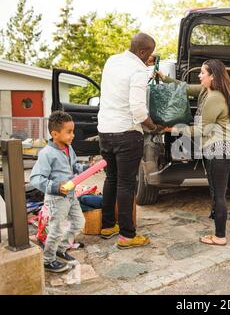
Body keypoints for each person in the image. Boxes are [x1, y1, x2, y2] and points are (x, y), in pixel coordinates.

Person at [157, 59, 230, 246]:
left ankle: (219, 236)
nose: (199, 75)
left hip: (220, 150)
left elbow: (202, 130)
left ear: (213, 76)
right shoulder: (205, 91)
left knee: (218, 194)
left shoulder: (214, 98)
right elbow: (184, 88)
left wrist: (172, 129)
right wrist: (164, 79)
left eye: (203, 73)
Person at [98, 33, 162, 249]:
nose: (149, 58)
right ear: (143, 52)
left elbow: (122, 80)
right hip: (127, 133)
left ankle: (108, 226)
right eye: (148, 53)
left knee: (111, 179)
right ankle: (127, 235)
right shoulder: (138, 71)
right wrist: (154, 127)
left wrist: (145, 64)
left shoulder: (112, 61)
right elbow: (138, 110)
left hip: (105, 131)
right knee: (126, 184)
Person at [30, 111, 89, 273]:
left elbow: (74, 167)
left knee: (79, 223)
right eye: (69, 132)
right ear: (55, 133)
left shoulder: (69, 148)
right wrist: (56, 187)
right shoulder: (46, 154)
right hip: (57, 199)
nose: (73, 135)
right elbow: (36, 178)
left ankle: (60, 249)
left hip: (71, 196)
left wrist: (86, 168)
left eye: (73, 131)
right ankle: (48, 260)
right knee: (56, 229)